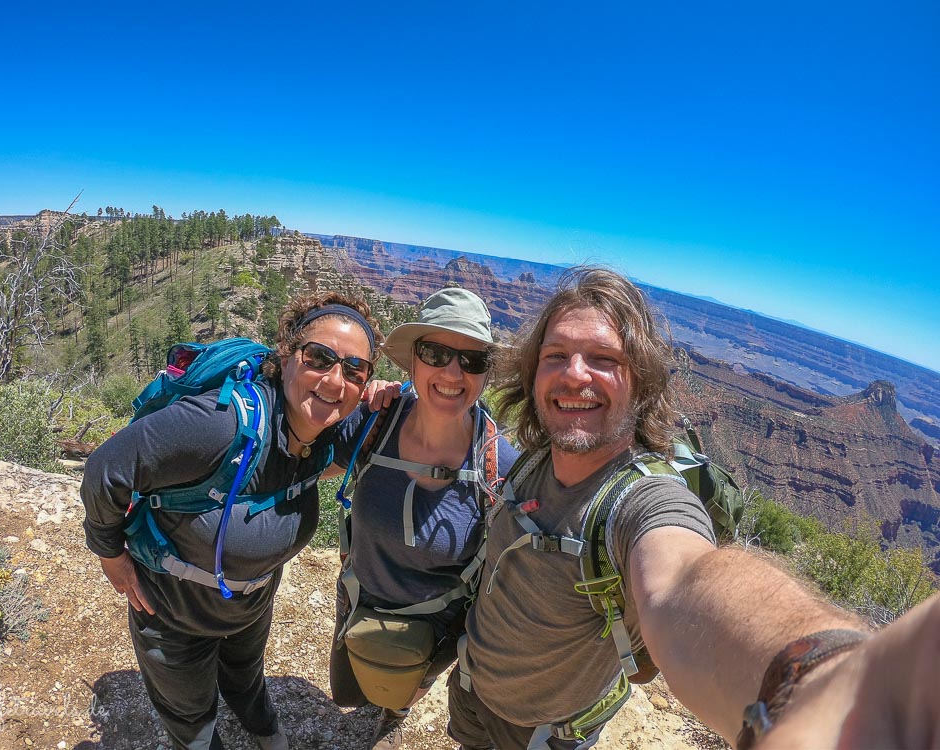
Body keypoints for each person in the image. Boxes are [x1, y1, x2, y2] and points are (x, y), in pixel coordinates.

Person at [444, 266, 928, 750]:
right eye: (556, 355)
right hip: (470, 692)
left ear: (642, 383)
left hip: (538, 735)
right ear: (533, 373)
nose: (574, 374)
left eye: (603, 357)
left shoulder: (642, 501)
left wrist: (830, 686)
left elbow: (682, 578)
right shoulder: (535, 457)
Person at [81, 291, 386, 750]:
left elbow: (413, 432)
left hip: (251, 603)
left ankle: (261, 724)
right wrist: (110, 553)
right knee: (192, 721)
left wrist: (392, 402)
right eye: (319, 357)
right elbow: (107, 468)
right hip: (173, 613)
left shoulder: (328, 430)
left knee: (245, 677)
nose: (334, 379)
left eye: (354, 370)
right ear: (286, 358)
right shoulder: (219, 425)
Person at [325, 287, 519, 749]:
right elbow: (300, 458)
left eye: (471, 360)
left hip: (436, 627)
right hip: (358, 601)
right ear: (412, 360)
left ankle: (397, 710)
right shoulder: (375, 423)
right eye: (436, 352)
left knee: (404, 688)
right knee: (351, 686)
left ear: (486, 374)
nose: (453, 372)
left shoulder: (500, 465)